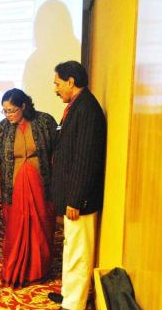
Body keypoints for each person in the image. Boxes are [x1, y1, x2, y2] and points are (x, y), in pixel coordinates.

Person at [47, 61, 107, 310]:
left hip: (80, 200)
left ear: (71, 82)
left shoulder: (88, 110)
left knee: (79, 251)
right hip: (73, 196)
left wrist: (76, 199)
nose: (55, 89)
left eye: (57, 83)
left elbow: (86, 158)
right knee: (70, 247)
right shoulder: (78, 106)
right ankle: (68, 293)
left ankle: (74, 304)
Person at [0, 88, 58, 287]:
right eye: (5, 111)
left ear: (24, 106)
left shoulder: (45, 121)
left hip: (40, 182)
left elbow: (57, 151)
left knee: (40, 225)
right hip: (14, 184)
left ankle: (38, 270)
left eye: (12, 110)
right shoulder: (2, 128)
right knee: (16, 227)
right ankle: (16, 269)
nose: (8, 115)